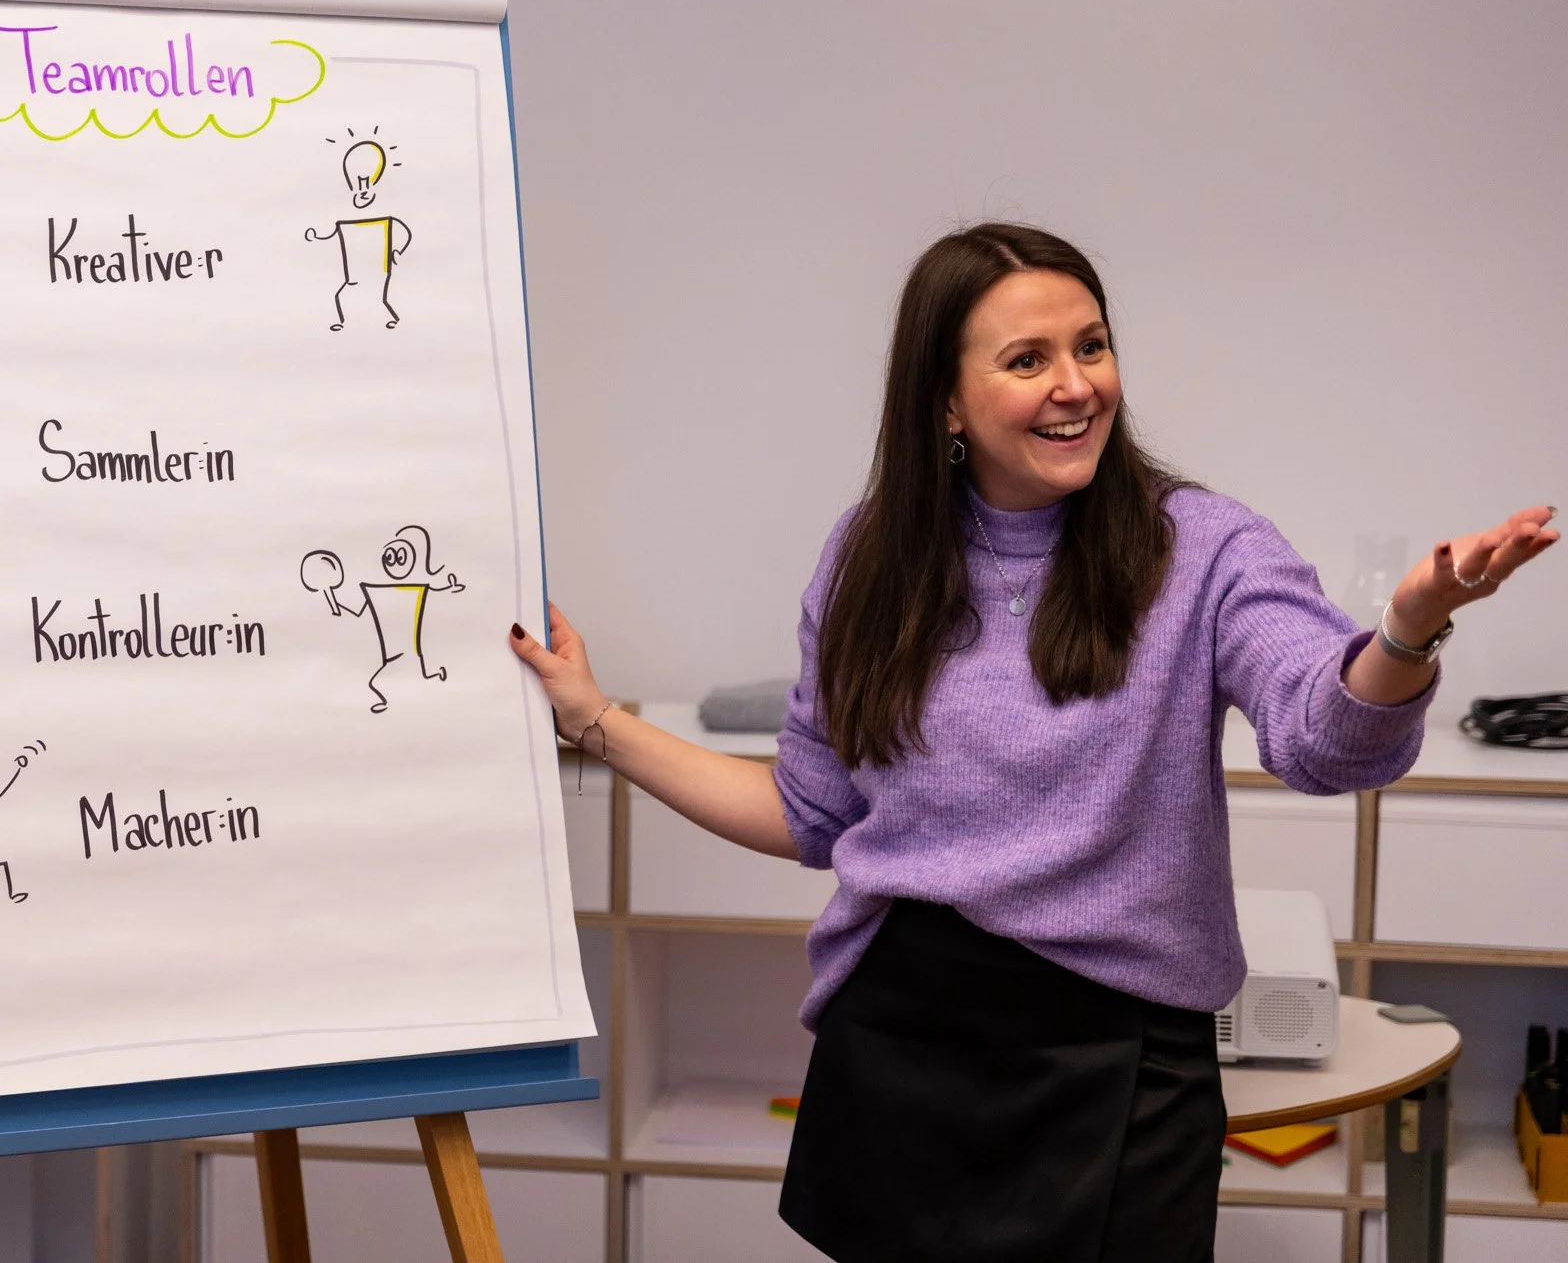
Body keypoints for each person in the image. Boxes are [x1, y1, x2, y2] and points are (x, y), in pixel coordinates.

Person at [508, 223, 1556, 1263]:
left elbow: (1320, 740)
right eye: (1027, 360)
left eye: (1090, 347)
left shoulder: (1198, 546)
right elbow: (810, 813)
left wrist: (1406, 633)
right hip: (899, 1043)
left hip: (1119, 1066)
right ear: (945, 400)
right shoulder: (871, 555)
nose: (1075, 385)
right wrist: (593, 720)